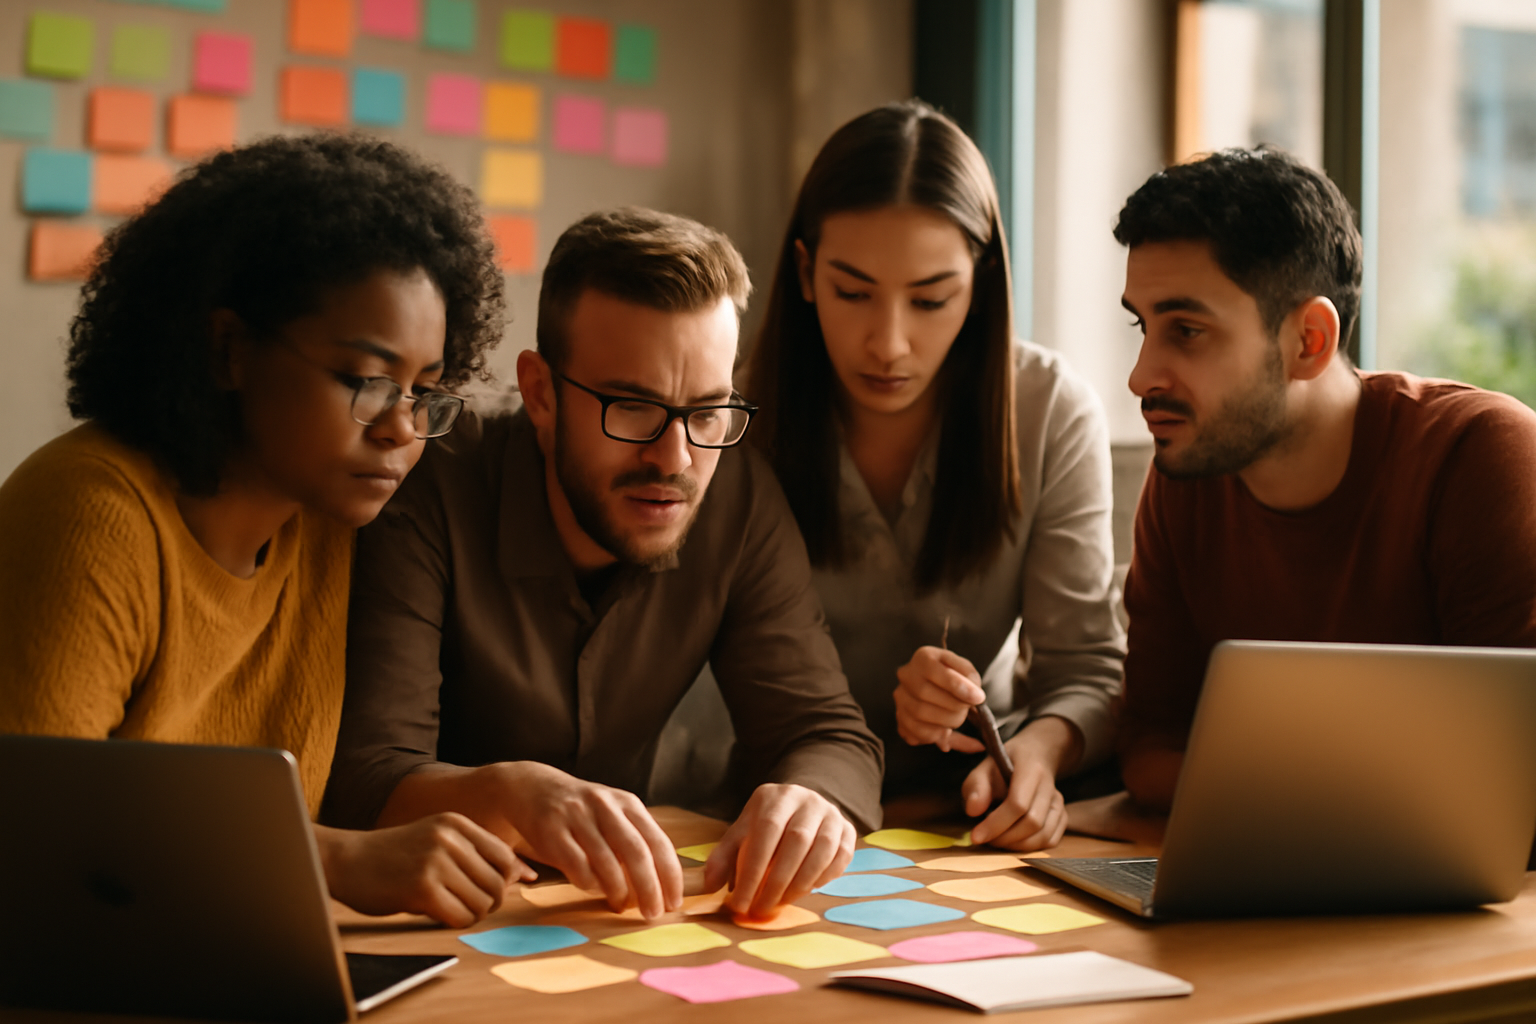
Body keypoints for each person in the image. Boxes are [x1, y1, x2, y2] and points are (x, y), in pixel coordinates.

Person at [0, 133, 533, 927]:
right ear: (228, 349)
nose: (401, 429)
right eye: (365, 381)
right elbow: (33, 832)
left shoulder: (329, 522)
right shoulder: (92, 513)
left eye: (426, 390)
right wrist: (334, 857)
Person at [323, 207, 884, 922]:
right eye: (633, 408)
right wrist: (514, 794)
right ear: (541, 394)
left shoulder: (738, 492)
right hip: (434, 924)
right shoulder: (430, 482)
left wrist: (812, 801)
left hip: (611, 925)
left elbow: (829, 735)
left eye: (707, 412)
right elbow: (364, 778)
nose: (676, 459)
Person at [743, 100, 1125, 852]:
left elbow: (1090, 672)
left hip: (969, 820)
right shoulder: (731, 422)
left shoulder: (1048, 411)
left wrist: (1036, 759)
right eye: (853, 292)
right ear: (804, 273)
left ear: (980, 284)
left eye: (930, 299)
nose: (889, 343)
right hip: (775, 816)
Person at [1115, 146, 1536, 811]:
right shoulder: (1187, 474)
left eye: (1187, 330)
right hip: (1254, 874)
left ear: (1308, 340)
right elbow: (1147, 747)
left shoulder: (1479, 454)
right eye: (1142, 326)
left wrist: (1264, 789)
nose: (1141, 376)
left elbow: (1515, 769)